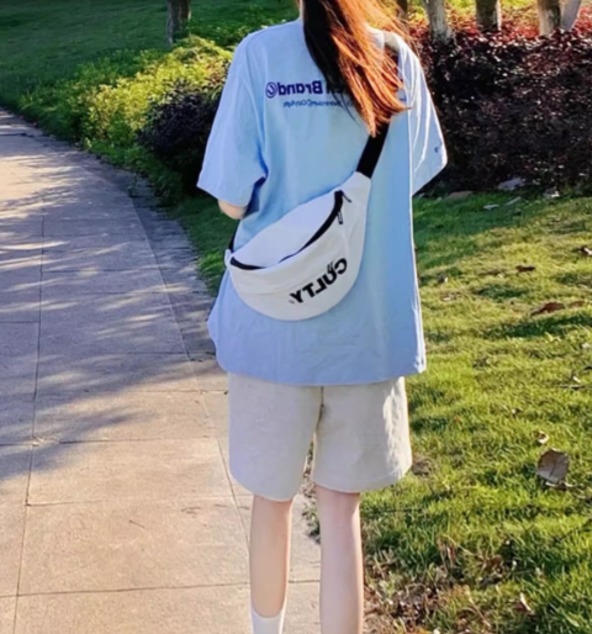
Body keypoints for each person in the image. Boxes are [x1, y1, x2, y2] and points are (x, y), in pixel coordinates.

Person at [196, 0, 447, 631]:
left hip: (274, 329)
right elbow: (413, 174)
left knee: (271, 499)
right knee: (341, 510)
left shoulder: (260, 55)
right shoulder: (395, 58)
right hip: (368, 328)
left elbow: (231, 200)